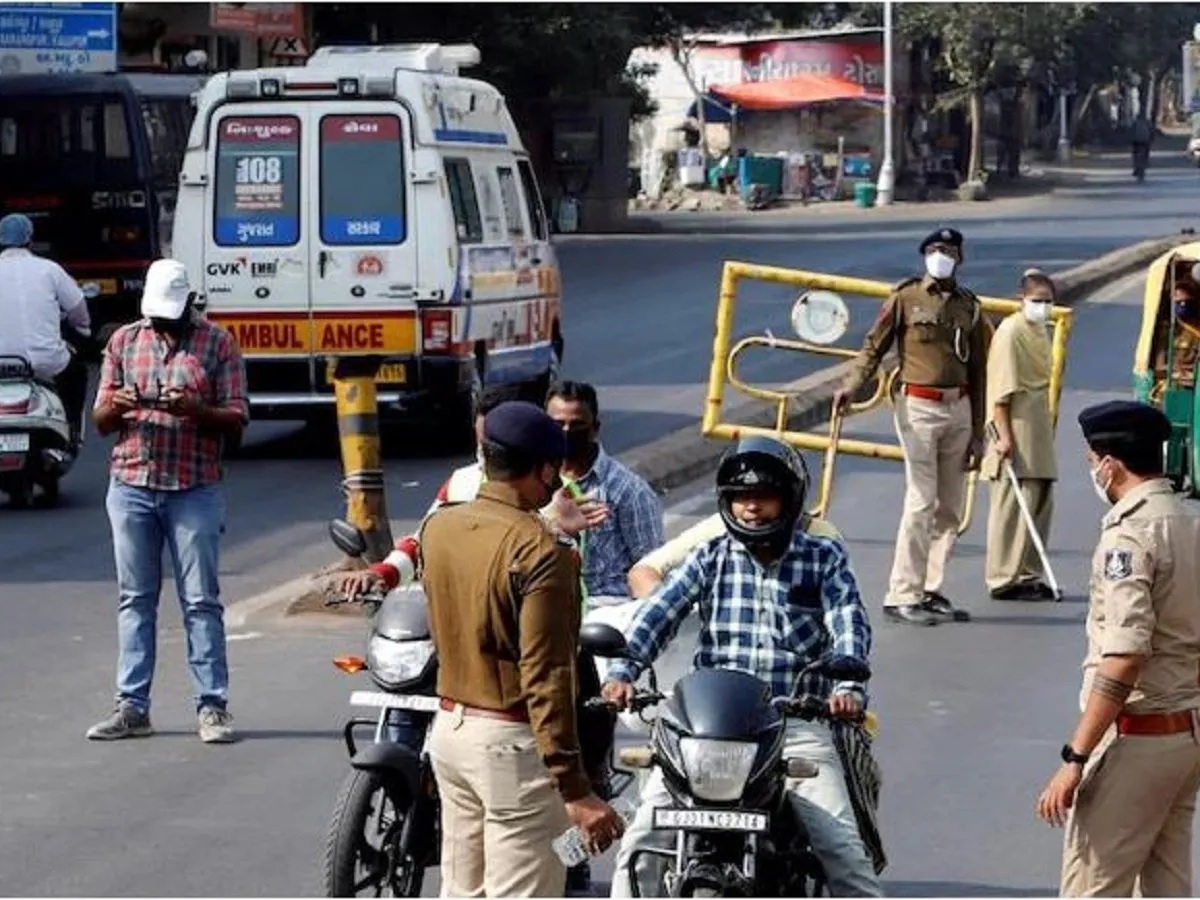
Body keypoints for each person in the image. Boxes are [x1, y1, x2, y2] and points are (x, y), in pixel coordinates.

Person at [603, 435, 881, 898]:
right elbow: (656, 617)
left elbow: (849, 622)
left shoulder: (823, 558)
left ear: (789, 500)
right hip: (705, 733)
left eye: (763, 497)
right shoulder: (709, 557)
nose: (751, 508)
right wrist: (622, 672)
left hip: (794, 724)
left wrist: (848, 683)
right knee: (639, 846)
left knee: (844, 853)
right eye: (741, 497)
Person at [422, 401, 625, 898]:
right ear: (546, 470)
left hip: (450, 732)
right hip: (512, 748)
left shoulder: (439, 527)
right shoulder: (544, 554)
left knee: (461, 890)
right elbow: (547, 677)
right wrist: (575, 788)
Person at [1036, 399, 1200, 896]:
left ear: (1110, 464)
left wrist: (1075, 755)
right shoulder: (1187, 523)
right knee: (1165, 883)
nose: (1093, 472)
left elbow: (1126, 655)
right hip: (1186, 735)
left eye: (1091, 462)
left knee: (1093, 884)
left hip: (1140, 735)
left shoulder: (1130, 537)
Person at [85, 259, 249, 743]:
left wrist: (196, 409)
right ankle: (132, 706)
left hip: (194, 485)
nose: (161, 324)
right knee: (135, 599)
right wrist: (119, 405)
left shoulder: (218, 344)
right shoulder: (124, 342)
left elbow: (237, 417)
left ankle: (212, 706)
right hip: (132, 483)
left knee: (200, 601)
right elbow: (100, 421)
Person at [833, 227, 987, 626]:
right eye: (935, 250)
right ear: (924, 256)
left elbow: (979, 370)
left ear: (960, 259)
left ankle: (930, 588)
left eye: (949, 251)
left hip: (959, 405)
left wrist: (977, 431)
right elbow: (873, 346)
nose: (942, 256)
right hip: (918, 405)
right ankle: (902, 592)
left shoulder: (970, 306)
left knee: (950, 507)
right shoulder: (905, 298)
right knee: (921, 500)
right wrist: (851, 384)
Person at [546, 381, 665, 677]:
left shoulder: (627, 490)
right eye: (557, 424)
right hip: (544, 606)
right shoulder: (533, 482)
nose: (565, 433)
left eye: (576, 425)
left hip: (606, 615)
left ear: (595, 428)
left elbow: (651, 566)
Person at [981, 269, 1058, 600]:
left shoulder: (1042, 331)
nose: (1042, 308)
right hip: (1016, 421)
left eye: (1048, 302)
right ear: (1021, 300)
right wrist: (1003, 434)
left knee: (1040, 496)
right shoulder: (1010, 333)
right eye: (1036, 301)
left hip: (1038, 421)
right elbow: (1001, 390)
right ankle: (1003, 576)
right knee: (1014, 501)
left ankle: (1028, 571)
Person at [0, 212, 92, 447]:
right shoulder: (50, 270)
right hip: (46, 362)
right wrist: (81, 327)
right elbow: (78, 308)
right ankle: (71, 430)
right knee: (77, 374)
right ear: (30, 239)